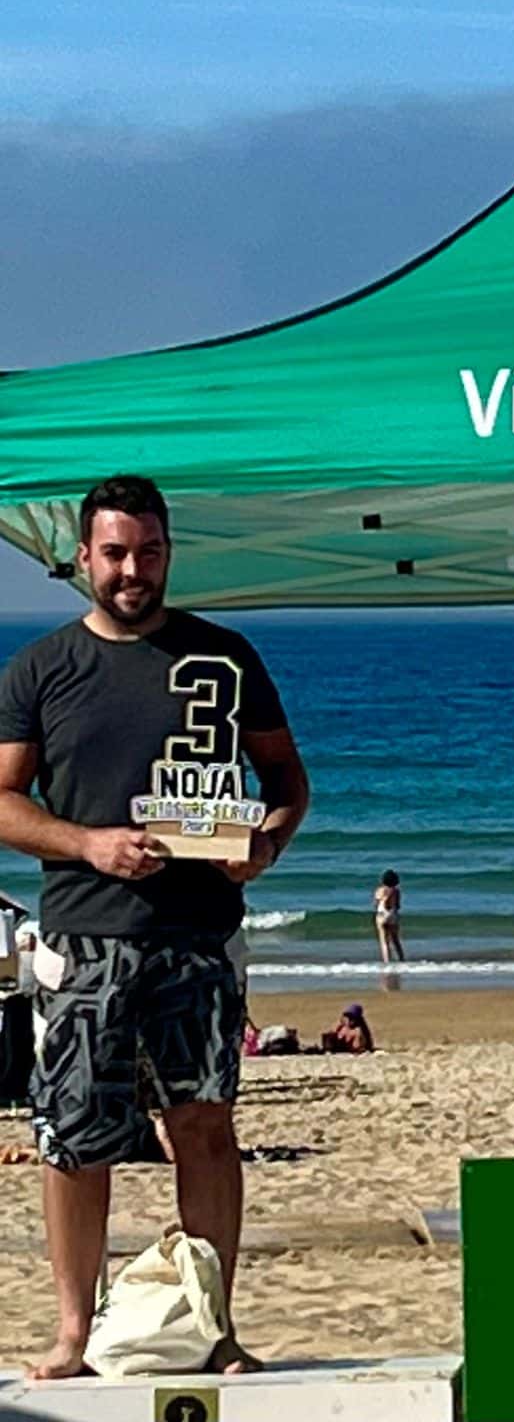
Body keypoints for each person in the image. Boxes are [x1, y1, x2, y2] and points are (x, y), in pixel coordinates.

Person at [0, 475, 310, 1378]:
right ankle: (72, 1331)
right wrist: (86, 844)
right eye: (116, 553)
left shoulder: (224, 656)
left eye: (150, 552)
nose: (133, 570)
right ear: (84, 559)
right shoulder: (42, 667)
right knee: (73, 1134)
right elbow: (3, 801)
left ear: (169, 552)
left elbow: (287, 785)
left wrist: (266, 848)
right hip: (83, 937)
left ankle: (213, 1327)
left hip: (198, 936)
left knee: (206, 1126)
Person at [373, 868, 404, 963]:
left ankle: (387, 962)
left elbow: (375, 904)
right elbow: (398, 905)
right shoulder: (396, 891)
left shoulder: (378, 890)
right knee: (396, 940)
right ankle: (401, 960)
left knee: (384, 941)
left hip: (381, 915)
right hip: (392, 914)